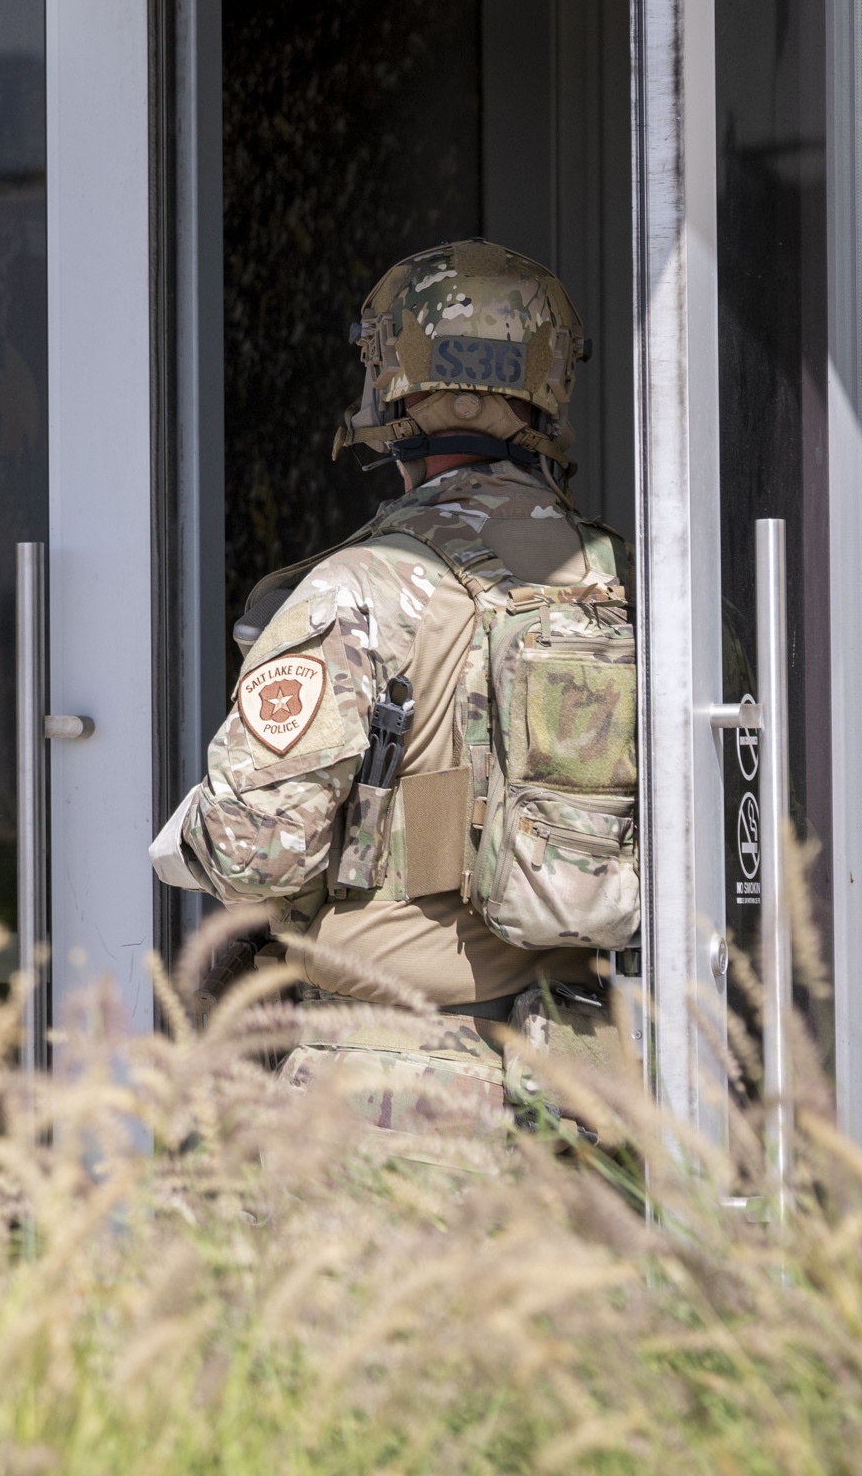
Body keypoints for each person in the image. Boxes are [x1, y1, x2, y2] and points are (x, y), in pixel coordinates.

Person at [152, 239, 640, 1131]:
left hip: (393, 1097)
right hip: (595, 1091)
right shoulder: (644, 591)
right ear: (549, 383)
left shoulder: (361, 586)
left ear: (393, 382)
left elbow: (253, 853)